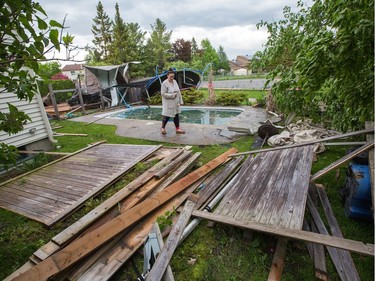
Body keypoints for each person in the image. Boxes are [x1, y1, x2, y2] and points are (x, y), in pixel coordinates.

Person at [160, 68, 185, 134]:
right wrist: (172, 95)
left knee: (176, 115)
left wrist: (180, 101)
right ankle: (163, 128)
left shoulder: (175, 81)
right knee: (167, 116)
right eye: (171, 76)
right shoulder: (164, 83)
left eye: (173, 76)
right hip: (169, 103)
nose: (172, 78)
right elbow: (163, 94)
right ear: (167, 76)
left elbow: (178, 91)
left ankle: (177, 129)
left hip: (175, 102)